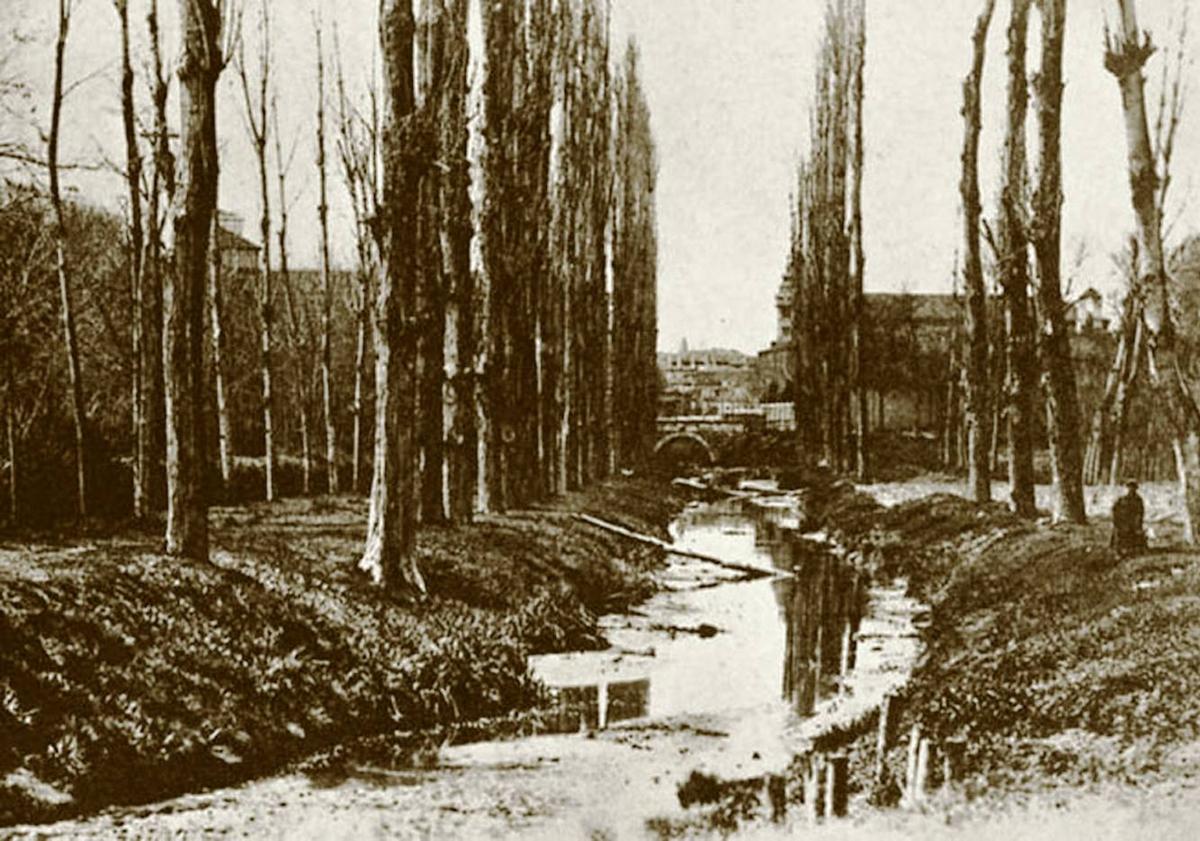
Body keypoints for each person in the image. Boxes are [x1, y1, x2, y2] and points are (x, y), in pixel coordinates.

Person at [1111, 480, 1147, 557]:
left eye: (1133, 487)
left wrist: (1137, 522)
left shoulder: (1138, 500)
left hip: (1133, 522)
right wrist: (1118, 521)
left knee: (1135, 532)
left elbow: (1140, 513)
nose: (1131, 489)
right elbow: (1115, 510)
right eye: (1129, 487)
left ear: (1136, 489)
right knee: (1120, 531)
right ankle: (1120, 548)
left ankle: (1134, 548)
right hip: (1123, 522)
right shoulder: (1122, 499)